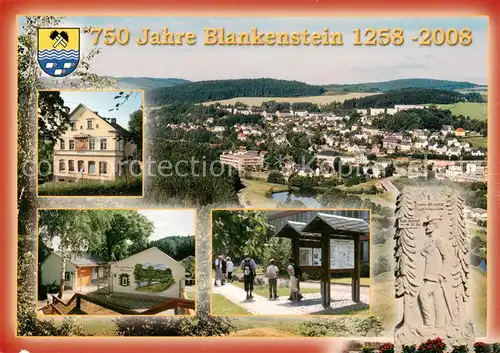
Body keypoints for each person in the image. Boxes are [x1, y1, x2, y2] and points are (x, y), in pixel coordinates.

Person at [418, 214, 454, 334]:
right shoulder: (431, 239)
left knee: (422, 296)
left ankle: (429, 323)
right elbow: (424, 252)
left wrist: (442, 274)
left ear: (434, 224)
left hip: (435, 275)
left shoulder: (439, 239)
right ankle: (440, 325)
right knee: (438, 300)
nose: (427, 227)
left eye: (428, 224)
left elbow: (448, 257)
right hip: (430, 274)